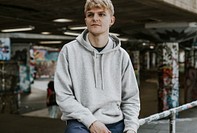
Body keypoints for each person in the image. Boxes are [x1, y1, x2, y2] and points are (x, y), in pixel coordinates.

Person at [54, 0, 140, 132]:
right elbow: (63, 96)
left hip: (116, 122)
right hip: (80, 122)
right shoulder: (69, 51)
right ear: (86, 20)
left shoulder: (121, 55)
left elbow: (131, 99)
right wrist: (91, 122)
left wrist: (131, 128)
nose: (95, 18)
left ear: (111, 20)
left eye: (101, 14)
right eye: (90, 15)